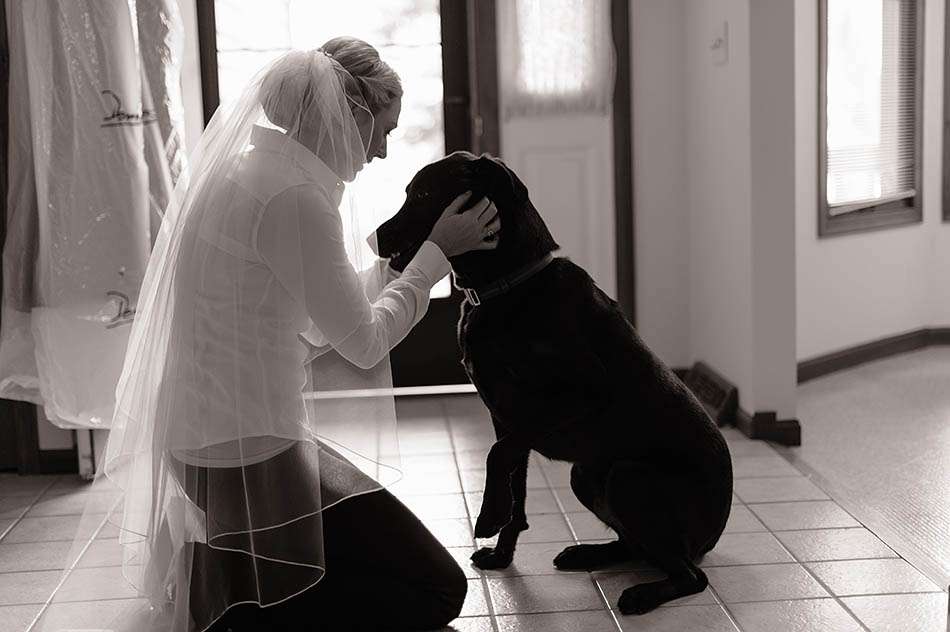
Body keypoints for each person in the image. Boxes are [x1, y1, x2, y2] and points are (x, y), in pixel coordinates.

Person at [38, 38, 499, 632]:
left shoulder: (250, 169)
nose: (382, 153)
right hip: (248, 454)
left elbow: (308, 324)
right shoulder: (296, 197)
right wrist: (436, 257)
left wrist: (390, 266)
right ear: (348, 116)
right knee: (439, 589)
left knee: (376, 569)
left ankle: (230, 569)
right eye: (380, 131)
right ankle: (233, 601)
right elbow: (362, 344)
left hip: (209, 446)